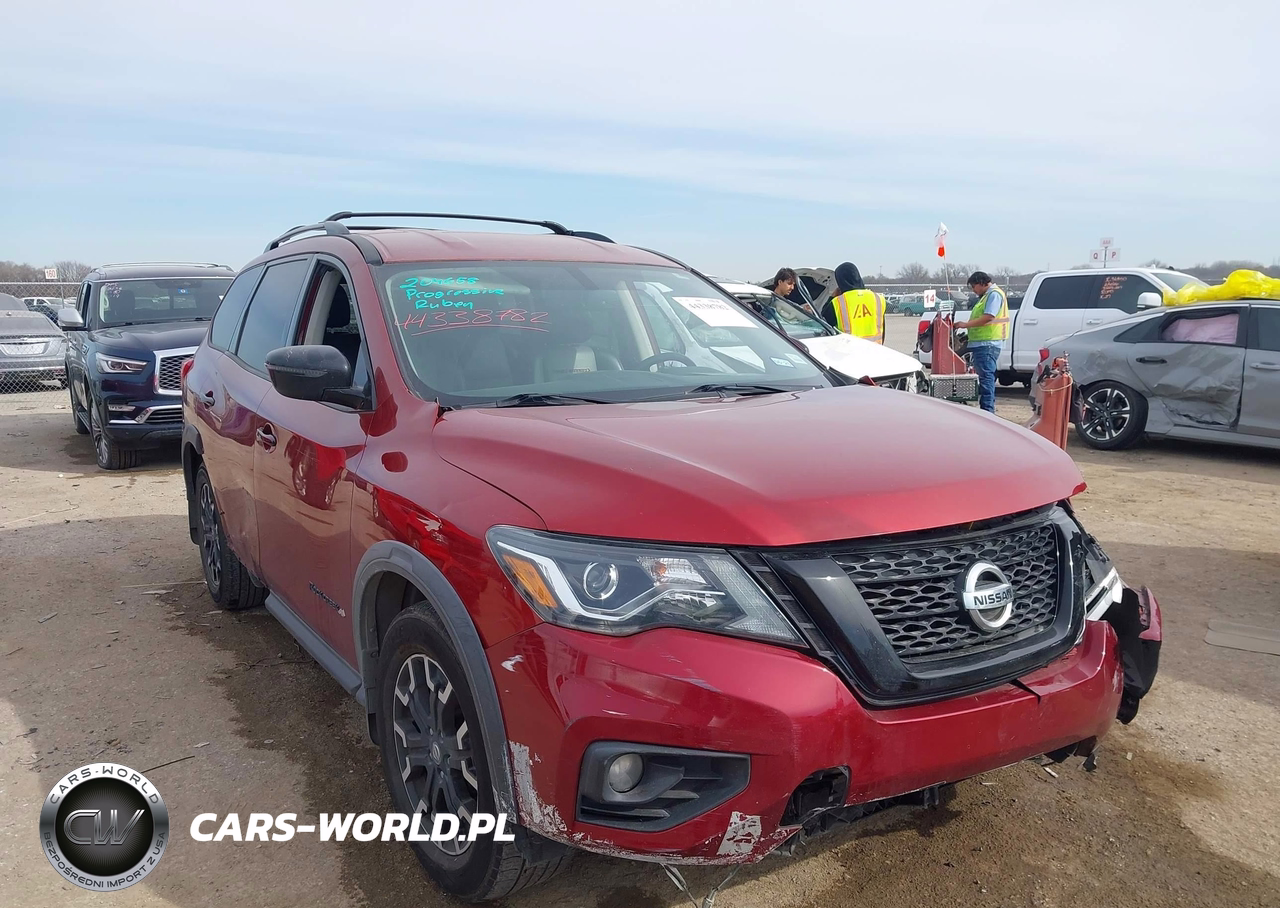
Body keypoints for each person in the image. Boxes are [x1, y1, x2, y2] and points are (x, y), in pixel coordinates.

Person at [954, 271, 1009, 413]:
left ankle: (987, 412)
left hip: (988, 344)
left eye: (974, 286)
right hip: (984, 343)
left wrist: (966, 325)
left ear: (981, 283)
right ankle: (987, 410)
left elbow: (988, 317)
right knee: (986, 377)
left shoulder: (994, 295)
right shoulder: (987, 296)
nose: (974, 290)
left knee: (986, 379)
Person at [822, 262, 885, 343]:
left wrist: (831, 297)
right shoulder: (878, 298)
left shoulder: (838, 302)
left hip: (850, 351)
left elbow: (823, 322)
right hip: (875, 349)